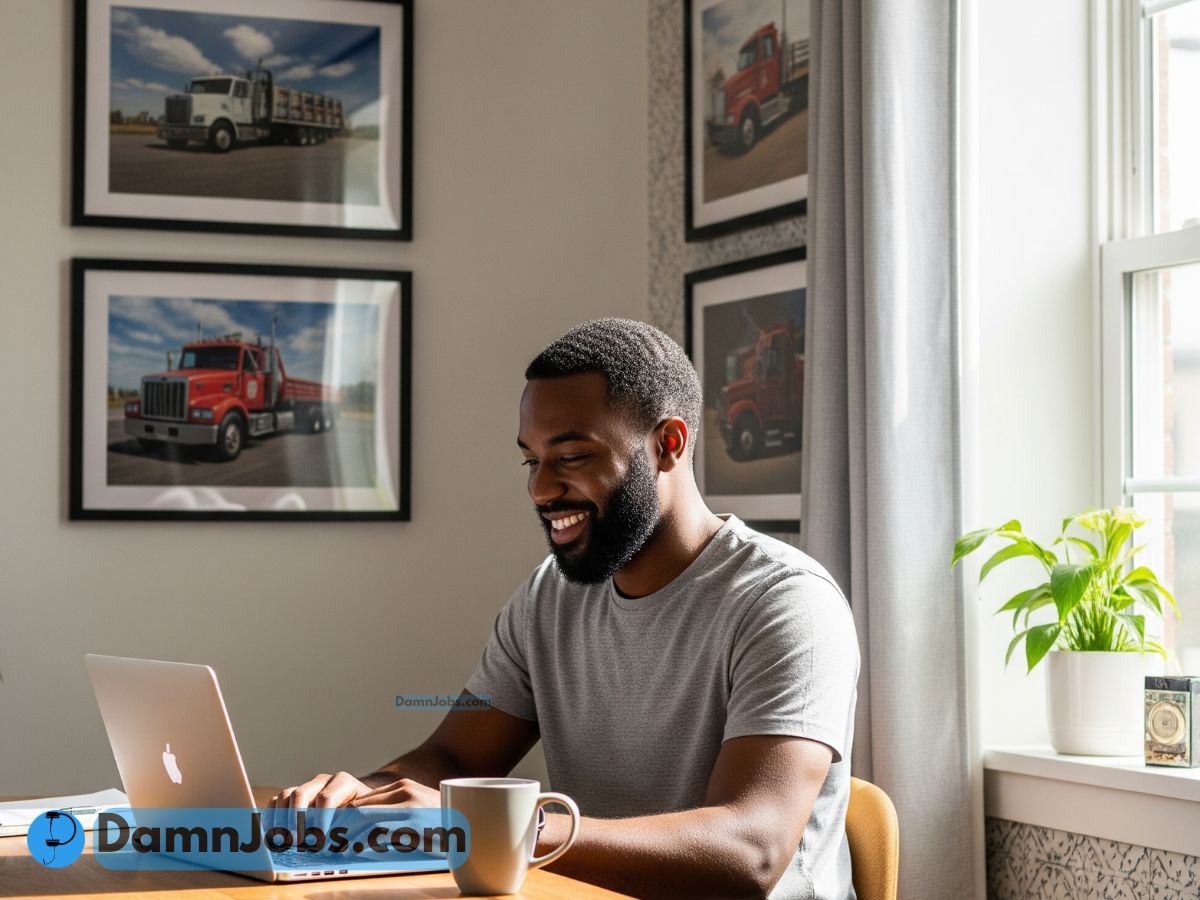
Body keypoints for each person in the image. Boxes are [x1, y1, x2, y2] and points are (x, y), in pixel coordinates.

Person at [270, 318, 860, 899]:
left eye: (571, 457)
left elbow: (749, 854)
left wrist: (492, 829)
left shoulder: (786, 604)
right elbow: (453, 754)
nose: (540, 490)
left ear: (667, 445)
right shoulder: (548, 596)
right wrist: (355, 801)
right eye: (532, 460)